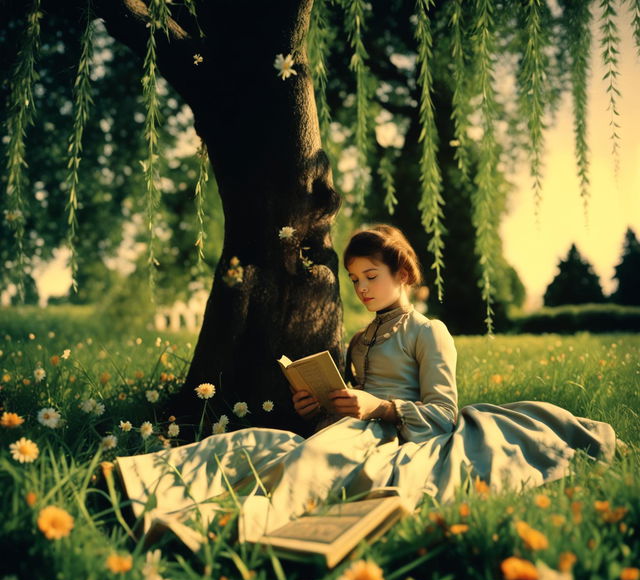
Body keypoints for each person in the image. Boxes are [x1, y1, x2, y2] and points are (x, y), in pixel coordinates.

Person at [115, 224, 620, 545]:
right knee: (256, 443)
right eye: (354, 278)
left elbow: (443, 412)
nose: (360, 287)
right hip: (350, 428)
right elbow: (348, 403)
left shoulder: (428, 332)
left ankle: (218, 530)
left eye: (370, 275)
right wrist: (315, 404)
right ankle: (141, 484)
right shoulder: (359, 339)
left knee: (310, 461)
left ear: (402, 273)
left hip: (397, 434)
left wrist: (378, 408)